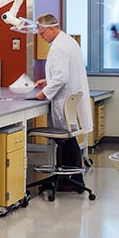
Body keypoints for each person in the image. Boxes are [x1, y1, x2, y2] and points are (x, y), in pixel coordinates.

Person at [32, 14, 93, 192]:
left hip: (64, 100)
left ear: (51, 28)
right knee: (68, 139)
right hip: (70, 99)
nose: (41, 37)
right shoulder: (68, 41)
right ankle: (72, 179)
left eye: (42, 33)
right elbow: (63, 73)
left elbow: (62, 77)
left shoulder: (59, 47)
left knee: (66, 140)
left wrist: (45, 92)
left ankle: (71, 180)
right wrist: (48, 80)